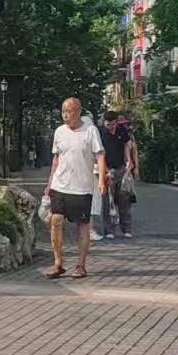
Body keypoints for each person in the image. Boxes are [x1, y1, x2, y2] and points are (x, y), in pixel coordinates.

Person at [44, 97, 106, 279]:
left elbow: (100, 156)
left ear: (78, 112)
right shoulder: (59, 132)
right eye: (63, 111)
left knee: (82, 225)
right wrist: (50, 182)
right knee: (55, 220)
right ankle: (58, 263)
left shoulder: (90, 131)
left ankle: (81, 265)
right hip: (60, 185)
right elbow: (56, 159)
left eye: (69, 111)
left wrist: (101, 181)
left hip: (81, 187)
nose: (65, 115)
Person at [97, 111, 137, 239]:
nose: (111, 127)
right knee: (108, 202)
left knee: (125, 200)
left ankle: (126, 228)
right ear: (104, 122)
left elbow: (127, 146)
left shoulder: (122, 131)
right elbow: (98, 154)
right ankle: (109, 230)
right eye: (108, 124)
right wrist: (105, 170)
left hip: (121, 168)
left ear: (116, 122)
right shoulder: (100, 133)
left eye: (113, 124)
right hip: (107, 169)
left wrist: (128, 161)